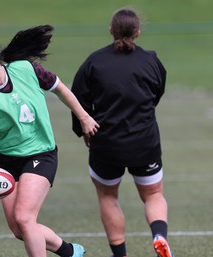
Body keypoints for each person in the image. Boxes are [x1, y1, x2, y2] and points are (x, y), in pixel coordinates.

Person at [0, 25, 99, 257]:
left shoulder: (26, 70)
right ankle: (70, 252)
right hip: (7, 161)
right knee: (18, 229)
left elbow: (61, 90)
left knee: (25, 218)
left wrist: (84, 117)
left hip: (41, 154)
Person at [71, 8, 174, 257]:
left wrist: (82, 130)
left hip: (105, 143)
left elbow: (77, 101)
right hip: (144, 142)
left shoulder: (94, 62)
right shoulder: (151, 60)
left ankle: (120, 255)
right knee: (153, 194)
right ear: (137, 32)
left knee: (108, 197)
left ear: (111, 30)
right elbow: (156, 94)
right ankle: (159, 236)